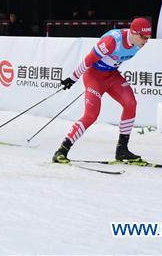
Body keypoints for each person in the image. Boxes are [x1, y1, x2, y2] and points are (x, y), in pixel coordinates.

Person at [52, 17, 152, 164]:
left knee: (131, 103)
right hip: (94, 77)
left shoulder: (138, 43)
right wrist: (73, 78)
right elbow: (88, 60)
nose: (146, 41)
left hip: (111, 76)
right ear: (134, 33)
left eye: (149, 37)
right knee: (91, 115)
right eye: (144, 37)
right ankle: (62, 150)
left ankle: (122, 150)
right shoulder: (112, 41)